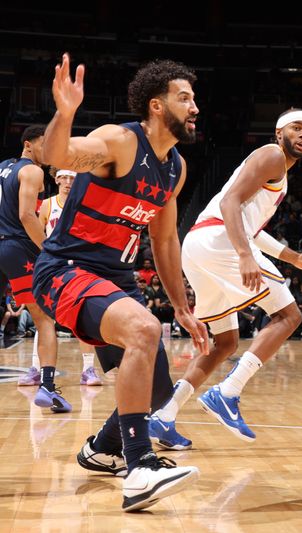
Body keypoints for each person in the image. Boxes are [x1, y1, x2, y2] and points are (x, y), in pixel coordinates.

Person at [35, 54, 207, 511]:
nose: (194, 107)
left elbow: (166, 239)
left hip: (115, 277)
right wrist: (65, 112)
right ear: (156, 105)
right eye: (184, 98)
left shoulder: (175, 168)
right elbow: (57, 156)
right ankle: (139, 467)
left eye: (194, 99)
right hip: (66, 269)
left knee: (156, 389)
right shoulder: (119, 141)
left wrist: (183, 307)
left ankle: (104, 449)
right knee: (143, 330)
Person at [150, 108, 302, 444]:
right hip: (221, 240)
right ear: (279, 134)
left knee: (225, 343)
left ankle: (164, 416)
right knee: (289, 315)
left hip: (201, 244)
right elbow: (231, 202)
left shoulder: (279, 173)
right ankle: (229, 392)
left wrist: (295, 258)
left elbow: (253, 228)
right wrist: (245, 254)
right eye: (296, 128)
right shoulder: (272, 155)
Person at [0, 126, 69, 411]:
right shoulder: (33, 171)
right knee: (44, 319)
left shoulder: (4, 167)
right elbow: (27, 215)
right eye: (45, 145)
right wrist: (48, 249)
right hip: (18, 248)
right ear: (29, 145)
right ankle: (48, 388)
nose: (49, 151)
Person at [27, 167, 102, 386]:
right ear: (57, 179)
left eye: (73, 178)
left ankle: (89, 369)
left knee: (82, 315)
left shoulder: (85, 204)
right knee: (43, 317)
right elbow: (35, 232)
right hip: (51, 265)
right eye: (65, 178)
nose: (69, 182)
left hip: (78, 265)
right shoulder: (48, 205)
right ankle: (35, 367)